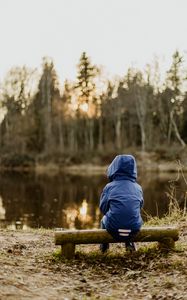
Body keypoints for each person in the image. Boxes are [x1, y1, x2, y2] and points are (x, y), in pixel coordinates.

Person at [99, 154, 144, 253]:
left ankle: (104, 248)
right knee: (133, 217)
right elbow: (139, 207)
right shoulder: (138, 187)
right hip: (134, 228)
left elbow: (103, 208)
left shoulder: (109, 187)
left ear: (114, 168)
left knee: (103, 219)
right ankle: (130, 245)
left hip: (113, 228)